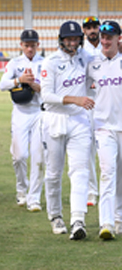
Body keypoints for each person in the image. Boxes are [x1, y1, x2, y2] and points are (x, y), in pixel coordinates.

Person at [40, 21, 94, 240]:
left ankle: (78, 220)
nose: (73, 43)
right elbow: (46, 96)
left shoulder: (85, 57)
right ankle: (55, 216)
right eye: (69, 39)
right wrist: (75, 99)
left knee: (80, 171)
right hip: (55, 120)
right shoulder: (50, 62)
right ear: (61, 40)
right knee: (53, 173)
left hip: (79, 121)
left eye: (76, 39)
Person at [0, 29, 45, 212]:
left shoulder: (45, 63)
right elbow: (2, 84)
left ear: (37, 45)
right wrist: (19, 80)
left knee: (38, 157)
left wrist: (35, 85)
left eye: (33, 45)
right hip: (20, 113)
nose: (30, 49)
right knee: (19, 156)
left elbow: (48, 89)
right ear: (21, 45)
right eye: (26, 45)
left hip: (39, 112)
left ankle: (34, 198)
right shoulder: (14, 63)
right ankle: (21, 189)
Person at [87, 21, 122, 239]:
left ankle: (118, 218)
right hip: (103, 128)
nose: (105, 41)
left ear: (119, 38)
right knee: (107, 173)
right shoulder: (92, 64)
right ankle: (106, 223)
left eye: (110, 37)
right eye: (103, 36)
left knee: (120, 176)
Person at [82, 16, 101, 207]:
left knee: (108, 150)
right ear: (84, 30)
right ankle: (91, 192)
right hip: (87, 104)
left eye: (95, 26)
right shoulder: (81, 51)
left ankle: (109, 189)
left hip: (107, 104)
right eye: (88, 27)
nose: (92, 30)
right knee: (87, 150)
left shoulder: (108, 46)